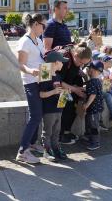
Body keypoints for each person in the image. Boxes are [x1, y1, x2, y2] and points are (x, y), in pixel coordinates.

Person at [15, 13, 46, 164]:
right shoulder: (24, 42)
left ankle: (32, 143)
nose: (43, 28)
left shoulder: (38, 41)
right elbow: (20, 65)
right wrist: (30, 71)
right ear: (35, 24)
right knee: (35, 116)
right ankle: (22, 151)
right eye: (42, 25)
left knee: (37, 115)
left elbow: (41, 59)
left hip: (40, 81)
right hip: (30, 82)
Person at [58, 42, 92, 144]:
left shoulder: (77, 59)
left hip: (70, 88)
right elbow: (57, 80)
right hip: (58, 90)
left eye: (84, 64)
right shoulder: (64, 59)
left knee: (73, 107)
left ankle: (67, 131)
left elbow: (73, 73)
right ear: (75, 55)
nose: (82, 66)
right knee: (64, 109)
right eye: (81, 63)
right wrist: (75, 89)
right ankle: (60, 135)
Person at [39, 51, 69, 161]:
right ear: (56, 62)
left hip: (58, 108)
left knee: (57, 130)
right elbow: (41, 94)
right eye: (62, 62)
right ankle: (47, 150)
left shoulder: (58, 75)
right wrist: (54, 91)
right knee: (47, 131)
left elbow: (57, 90)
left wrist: (64, 92)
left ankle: (56, 148)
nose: (63, 64)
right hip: (49, 109)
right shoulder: (45, 73)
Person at [83, 60, 104, 150]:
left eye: (88, 69)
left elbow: (93, 95)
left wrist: (86, 105)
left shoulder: (92, 82)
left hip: (93, 108)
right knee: (92, 124)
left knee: (93, 125)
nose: (87, 70)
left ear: (92, 70)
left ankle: (95, 142)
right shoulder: (97, 81)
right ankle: (91, 138)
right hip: (97, 107)